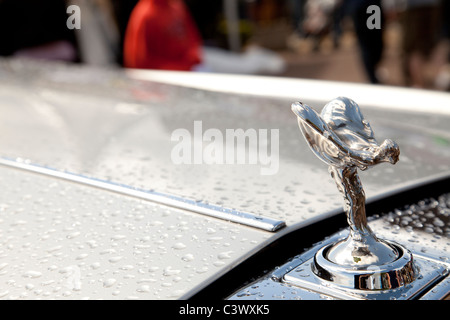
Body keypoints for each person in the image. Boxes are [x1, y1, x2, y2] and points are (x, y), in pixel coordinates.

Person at [123, 0, 203, 71]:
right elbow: (138, 62)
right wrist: (181, 67)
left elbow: (193, 40)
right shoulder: (145, 14)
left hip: (187, 68)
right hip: (163, 77)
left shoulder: (177, 7)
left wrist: (192, 58)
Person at [399, 0, 442, 87]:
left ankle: (419, 83)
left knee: (417, 47)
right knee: (418, 47)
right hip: (420, 6)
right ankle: (419, 83)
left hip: (419, 7)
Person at [346, 0, 384, 84]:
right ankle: (372, 78)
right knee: (365, 44)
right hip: (359, 8)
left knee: (376, 42)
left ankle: (373, 72)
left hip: (372, 8)